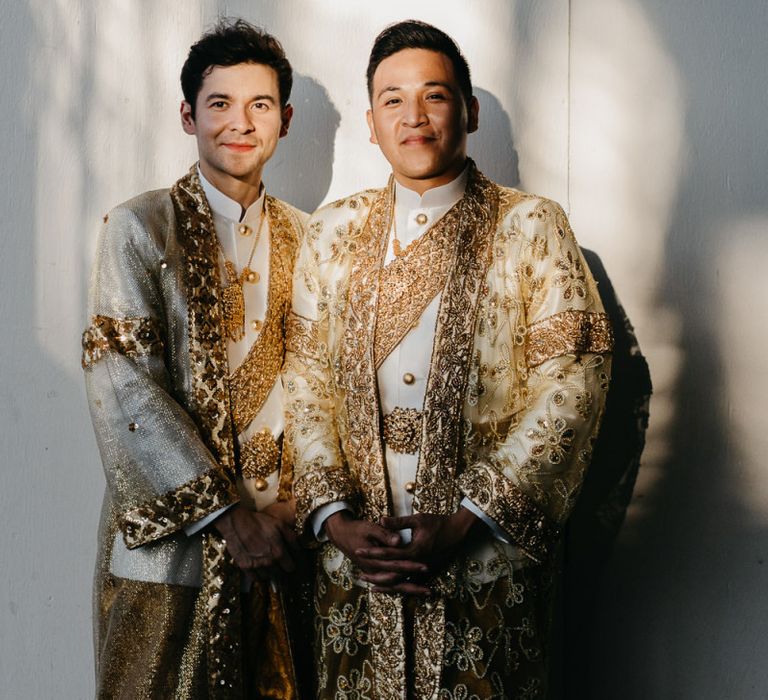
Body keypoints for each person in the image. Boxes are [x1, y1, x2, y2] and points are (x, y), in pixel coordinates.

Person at [284, 20, 614, 699]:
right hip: (357, 569)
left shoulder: (530, 225)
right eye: (393, 100)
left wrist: (469, 517)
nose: (414, 117)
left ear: (469, 111)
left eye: (434, 96)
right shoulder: (333, 232)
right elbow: (305, 380)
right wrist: (335, 521)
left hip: (485, 564)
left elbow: (574, 381)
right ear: (371, 122)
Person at [82, 19, 308, 698]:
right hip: (171, 555)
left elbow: (330, 384)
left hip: (287, 546)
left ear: (285, 120)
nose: (240, 123)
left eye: (260, 105)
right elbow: (122, 382)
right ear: (188, 115)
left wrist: (289, 515)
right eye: (219, 104)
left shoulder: (314, 239)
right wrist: (230, 518)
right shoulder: (139, 226)